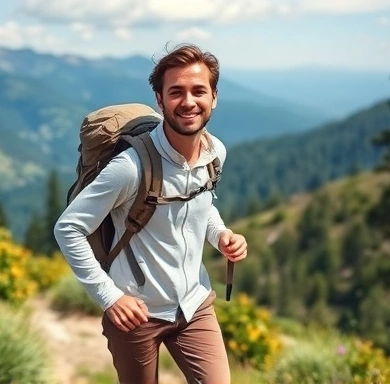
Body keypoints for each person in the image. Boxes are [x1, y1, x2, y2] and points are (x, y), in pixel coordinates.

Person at [54, 43, 248, 384]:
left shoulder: (215, 152)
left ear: (214, 97)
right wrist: (109, 296)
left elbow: (201, 204)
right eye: (176, 92)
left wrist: (220, 235)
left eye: (199, 91)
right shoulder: (130, 168)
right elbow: (68, 228)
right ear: (160, 101)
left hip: (195, 304)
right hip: (136, 313)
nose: (188, 102)